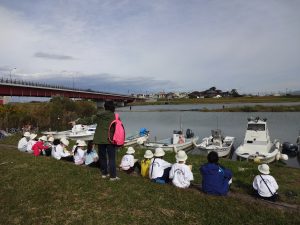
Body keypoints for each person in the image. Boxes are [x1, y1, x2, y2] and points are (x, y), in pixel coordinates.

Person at [93, 101, 120, 181]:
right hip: (110, 140)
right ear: (113, 107)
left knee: (102, 157)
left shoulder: (99, 115)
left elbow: (89, 120)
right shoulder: (115, 116)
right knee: (111, 158)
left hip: (100, 139)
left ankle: (104, 174)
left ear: (105, 107)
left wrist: (77, 122)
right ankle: (113, 176)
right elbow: (119, 128)